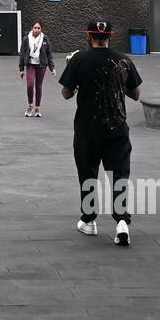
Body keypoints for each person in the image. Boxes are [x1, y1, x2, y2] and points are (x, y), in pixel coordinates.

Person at [59, 20, 143, 246]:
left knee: (88, 175)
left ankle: (89, 220)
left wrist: (77, 81)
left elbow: (66, 93)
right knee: (119, 176)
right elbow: (136, 94)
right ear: (110, 36)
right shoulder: (123, 60)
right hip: (117, 130)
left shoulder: (79, 59)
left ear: (89, 36)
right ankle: (122, 222)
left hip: (87, 130)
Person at [18, 21, 56, 117]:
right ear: (32, 28)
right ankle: (30, 105)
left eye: (38, 28)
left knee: (38, 86)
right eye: (35, 27)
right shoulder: (26, 39)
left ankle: (37, 108)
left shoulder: (45, 39)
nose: (36, 29)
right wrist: (21, 69)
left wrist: (52, 68)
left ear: (41, 29)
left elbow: (49, 54)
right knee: (30, 85)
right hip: (30, 64)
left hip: (41, 65)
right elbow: (22, 54)